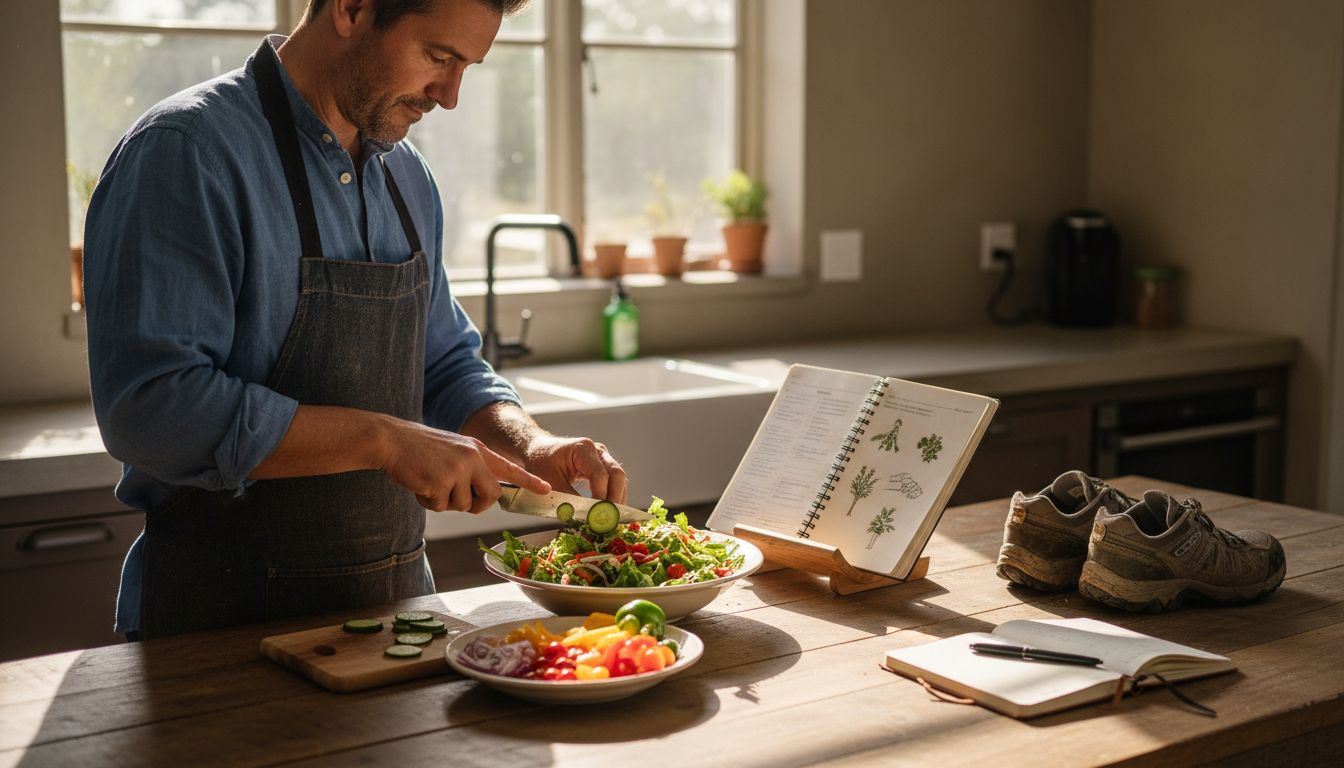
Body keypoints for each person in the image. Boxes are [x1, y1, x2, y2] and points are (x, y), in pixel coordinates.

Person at [83, 0, 626, 640]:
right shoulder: (186, 153)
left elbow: (446, 364)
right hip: (217, 635)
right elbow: (150, 410)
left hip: (392, 623)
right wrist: (386, 441)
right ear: (351, 9)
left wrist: (533, 447)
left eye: (467, 67)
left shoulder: (408, 177)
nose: (449, 97)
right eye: (438, 56)